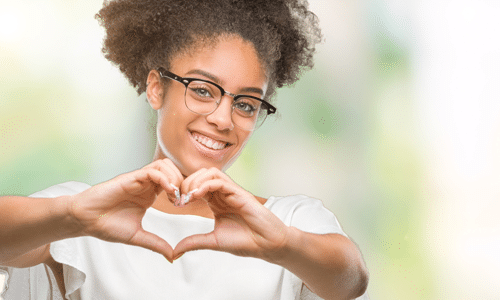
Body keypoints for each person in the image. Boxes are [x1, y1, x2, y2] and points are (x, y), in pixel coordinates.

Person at [0, 0, 369, 299]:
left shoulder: (287, 220)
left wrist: (282, 245)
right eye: (204, 90)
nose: (224, 119)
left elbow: (351, 280)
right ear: (157, 88)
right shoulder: (81, 213)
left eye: (245, 104)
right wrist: (73, 217)